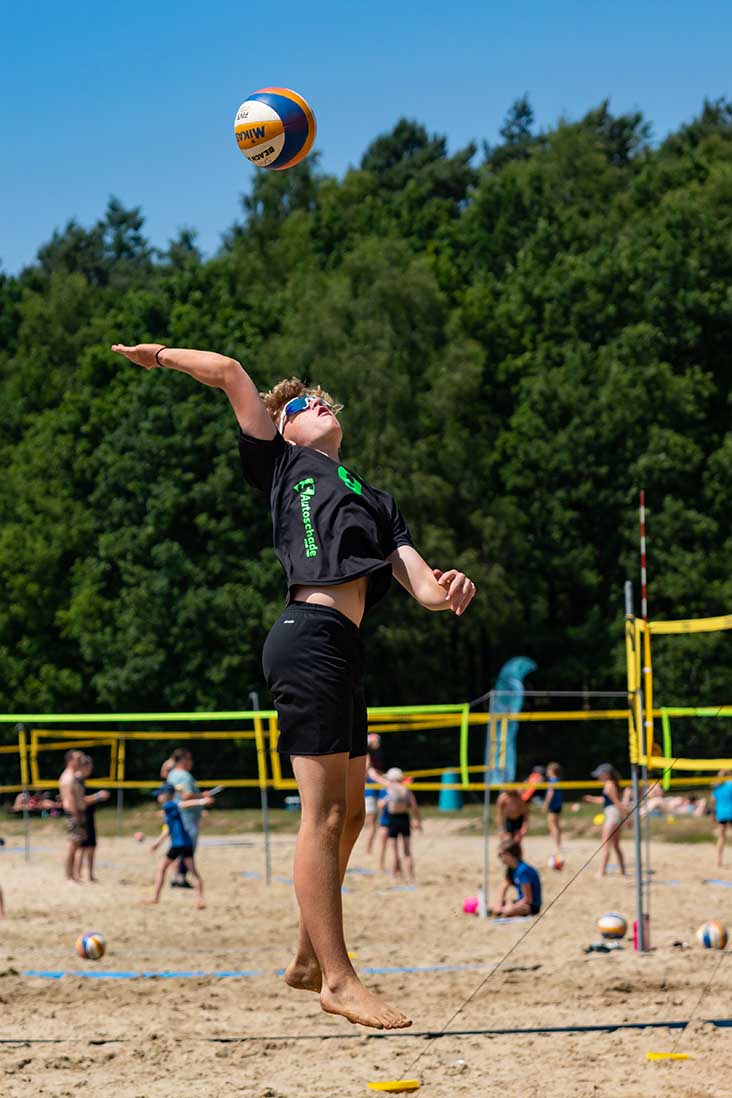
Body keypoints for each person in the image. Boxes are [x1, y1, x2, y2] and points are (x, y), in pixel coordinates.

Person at [111, 341, 476, 1031]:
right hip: (305, 636)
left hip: (344, 647)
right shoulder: (281, 462)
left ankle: (309, 957)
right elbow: (230, 373)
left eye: (324, 401)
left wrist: (452, 587)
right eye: (305, 404)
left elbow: (425, 587)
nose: (319, 405)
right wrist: (155, 356)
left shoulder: (377, 499)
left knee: (355, 815)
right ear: (283, 427)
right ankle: (337, 980)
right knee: (325, 815)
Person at [147, 783, 212, 909]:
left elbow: (183, 804)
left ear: (167, 795)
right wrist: (158, 843)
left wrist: (201, 801)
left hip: (178, 844)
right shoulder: (170, 809)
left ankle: (155, 898)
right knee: (193, 872)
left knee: (161, 869)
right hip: (186, 842)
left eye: (160, 794)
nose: (158, 797)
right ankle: (200, 900)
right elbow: (168, 829)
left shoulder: (169, 805)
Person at [167, 748, 202, 887]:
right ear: (182, 760)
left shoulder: (171, 774)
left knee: (177, 846)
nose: (191, 762)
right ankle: (181, 877)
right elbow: (186, 796)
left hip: (176, 816)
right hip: (187, 815)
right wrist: (202, 797)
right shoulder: (185, 776)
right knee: (186, 847)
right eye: (189, 759)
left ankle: (175, 876)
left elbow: (164, 770)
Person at [583, 763, 626, 876]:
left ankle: (602, 871)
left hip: (612, 815)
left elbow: (616, 802)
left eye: (600, 774)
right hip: (614, 814)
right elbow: (607, 800)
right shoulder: (611, 784)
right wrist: (592, 799)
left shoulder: (609, 784)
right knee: (615, 845)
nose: (598, 776)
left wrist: (626, 818)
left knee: (605, 844)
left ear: (606, 774)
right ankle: (623, 870)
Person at [74, 755, 110, 882]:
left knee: (91, 846)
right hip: (82, 816)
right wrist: (98, 796)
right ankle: (78, 875)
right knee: (82, 847)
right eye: (89, 767)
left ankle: (89, 875)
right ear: (83, 766)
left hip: (88, 815)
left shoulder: (82, 780)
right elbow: (80, 801)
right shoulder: (77, 780)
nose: (91, 770)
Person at [383, 767, 422, 882]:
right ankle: (411, 877)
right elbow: (414, 808)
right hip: (404, 819)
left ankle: (394, 876)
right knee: (407, 851)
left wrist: (370, 770)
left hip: (393, 819)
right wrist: (418, 821)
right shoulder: (406, 790)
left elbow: (376, 778)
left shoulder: (390, 788)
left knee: (394, 851)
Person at [491, 839, 542, 916]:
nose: (499, 858)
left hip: (531, 906)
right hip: (520, 902)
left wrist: (512, 906)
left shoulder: (523, 870)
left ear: (510, 854)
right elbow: (503, 888)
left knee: (507, 911)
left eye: (501, 855)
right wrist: (500, 903)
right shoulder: (511, 869)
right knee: (494, 908)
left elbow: (528, 899)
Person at [58, 750, 86, 881]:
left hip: (74, 813)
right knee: (72, 845)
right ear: (70, 761)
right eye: (78, 759)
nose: (80, 761)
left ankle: (71, 874)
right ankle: (69, 875)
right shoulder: (69, 777)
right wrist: (76, 815)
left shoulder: (72, 776)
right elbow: (70, 799)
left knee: (75, 845)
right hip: (73, 813)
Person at [364, 733, 385, 855]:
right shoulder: (368, 759)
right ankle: (367, 849)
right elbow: (374, 776)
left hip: (375, 792)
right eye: (374, 742)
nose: (377, 744)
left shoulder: (376, 760)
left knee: (374, 824)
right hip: (370, 793)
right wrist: (391, 783)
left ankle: (369, 849)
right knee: (372, 824)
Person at [495, 788, 529, 856]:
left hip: (518, 820)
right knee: (507, 841)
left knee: (517, 841)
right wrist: (500, 829)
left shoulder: (519, 797)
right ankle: (506, 857)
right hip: (509, 821)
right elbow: (499, 815)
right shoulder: (502, 798)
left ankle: (517, 858)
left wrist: (524, 827)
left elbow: (526, 814)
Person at [713, 769, 732, 867]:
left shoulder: (717, 787)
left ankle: (719, 861)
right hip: (731, 811)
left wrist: (713, 814)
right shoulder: (730, 785)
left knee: (721, 837)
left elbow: (713, 800)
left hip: (721, 813)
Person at [543, 761, 563, 856]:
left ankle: (557, 846)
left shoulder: (552, 781)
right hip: (558, 805)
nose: (547, 771)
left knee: (553, 825)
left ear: (552, 770)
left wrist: (546, 804)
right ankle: (559, 845)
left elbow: (550, 793)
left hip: (553, 806)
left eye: (548, 769)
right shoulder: (557, 780)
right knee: (557, 825)